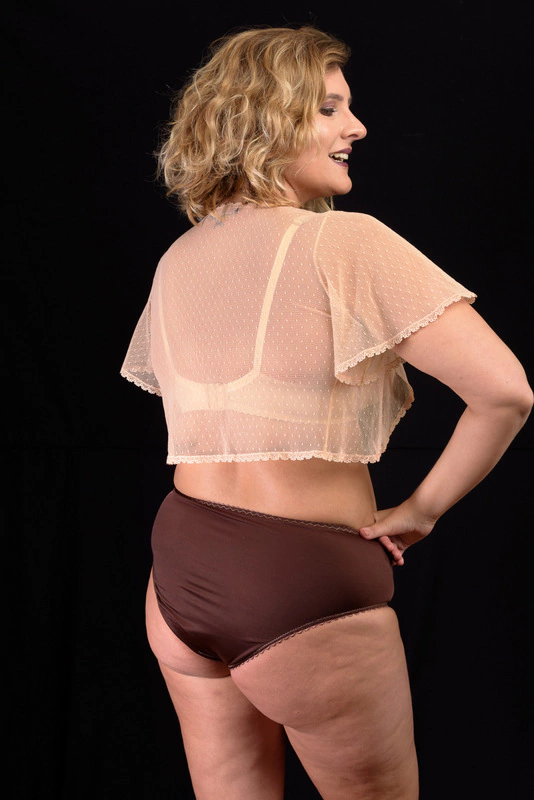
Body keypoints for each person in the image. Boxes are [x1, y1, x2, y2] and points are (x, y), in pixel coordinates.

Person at [120, 25, 532, 800]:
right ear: (266, 118)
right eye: (329, 108)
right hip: (299, 578)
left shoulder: (179, 259)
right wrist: (421, 510)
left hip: (179, 568)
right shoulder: (347, 244)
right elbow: (506, 392)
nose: (358, 128)